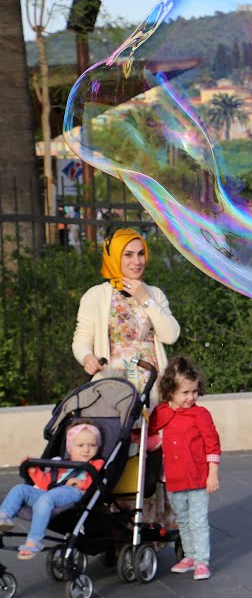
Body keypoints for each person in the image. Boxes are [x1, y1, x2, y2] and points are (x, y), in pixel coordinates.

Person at [73, 227, 180, 530]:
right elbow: (81, 339)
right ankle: (111, 527)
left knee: (149, 452)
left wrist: (145, 298)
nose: (136, 261)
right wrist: (87, 357)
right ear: (114, 257)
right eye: (128, 254)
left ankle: (147, 525)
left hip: (150, 386)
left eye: (141, 253)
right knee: (113, 449)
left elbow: (171, 335)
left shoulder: (155, 293)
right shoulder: (96, 295)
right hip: (112, 385)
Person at [150, 356, 221, 581]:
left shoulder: (200, 415)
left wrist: (213, 475)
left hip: (198, 478)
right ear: (170, 391)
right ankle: (189, 556)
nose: (191, 397)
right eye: (185, 393)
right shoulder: (161, 413)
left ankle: (202, 561)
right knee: (182, 519)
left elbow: (213, 445)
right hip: (174, 478)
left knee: (198, 521)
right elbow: (149, 432)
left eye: (194, 391)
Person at [0, 422, 104, 559]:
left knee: (45, 499)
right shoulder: (60, 464)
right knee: (20, 489)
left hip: (73, 492)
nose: (86, 450)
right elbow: (45, 484)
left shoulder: (95, 463)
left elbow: (95, 479)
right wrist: (33, 470)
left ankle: (35, 541)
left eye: (92, 445)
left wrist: (82, 483)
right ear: (70, 448)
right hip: (50, 493)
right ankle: (4, 516)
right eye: (80, 445)